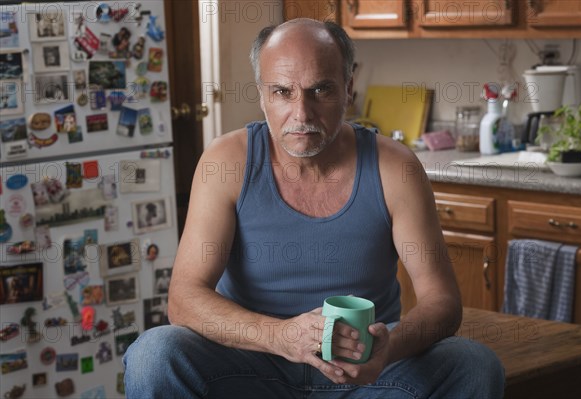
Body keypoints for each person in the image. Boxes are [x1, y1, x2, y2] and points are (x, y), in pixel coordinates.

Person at [123, 18, 504, 398]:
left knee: (472, 364)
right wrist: (281, 336)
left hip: (366, 375)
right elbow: (184, 299)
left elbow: (443, 301)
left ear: (348, 89)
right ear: (261, 95)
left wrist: (389, 348)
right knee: (154, 354)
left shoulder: (395, 167)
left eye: (320, 90)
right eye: (282, 92)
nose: (301, 114)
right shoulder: (227, 162)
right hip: (252, 368)